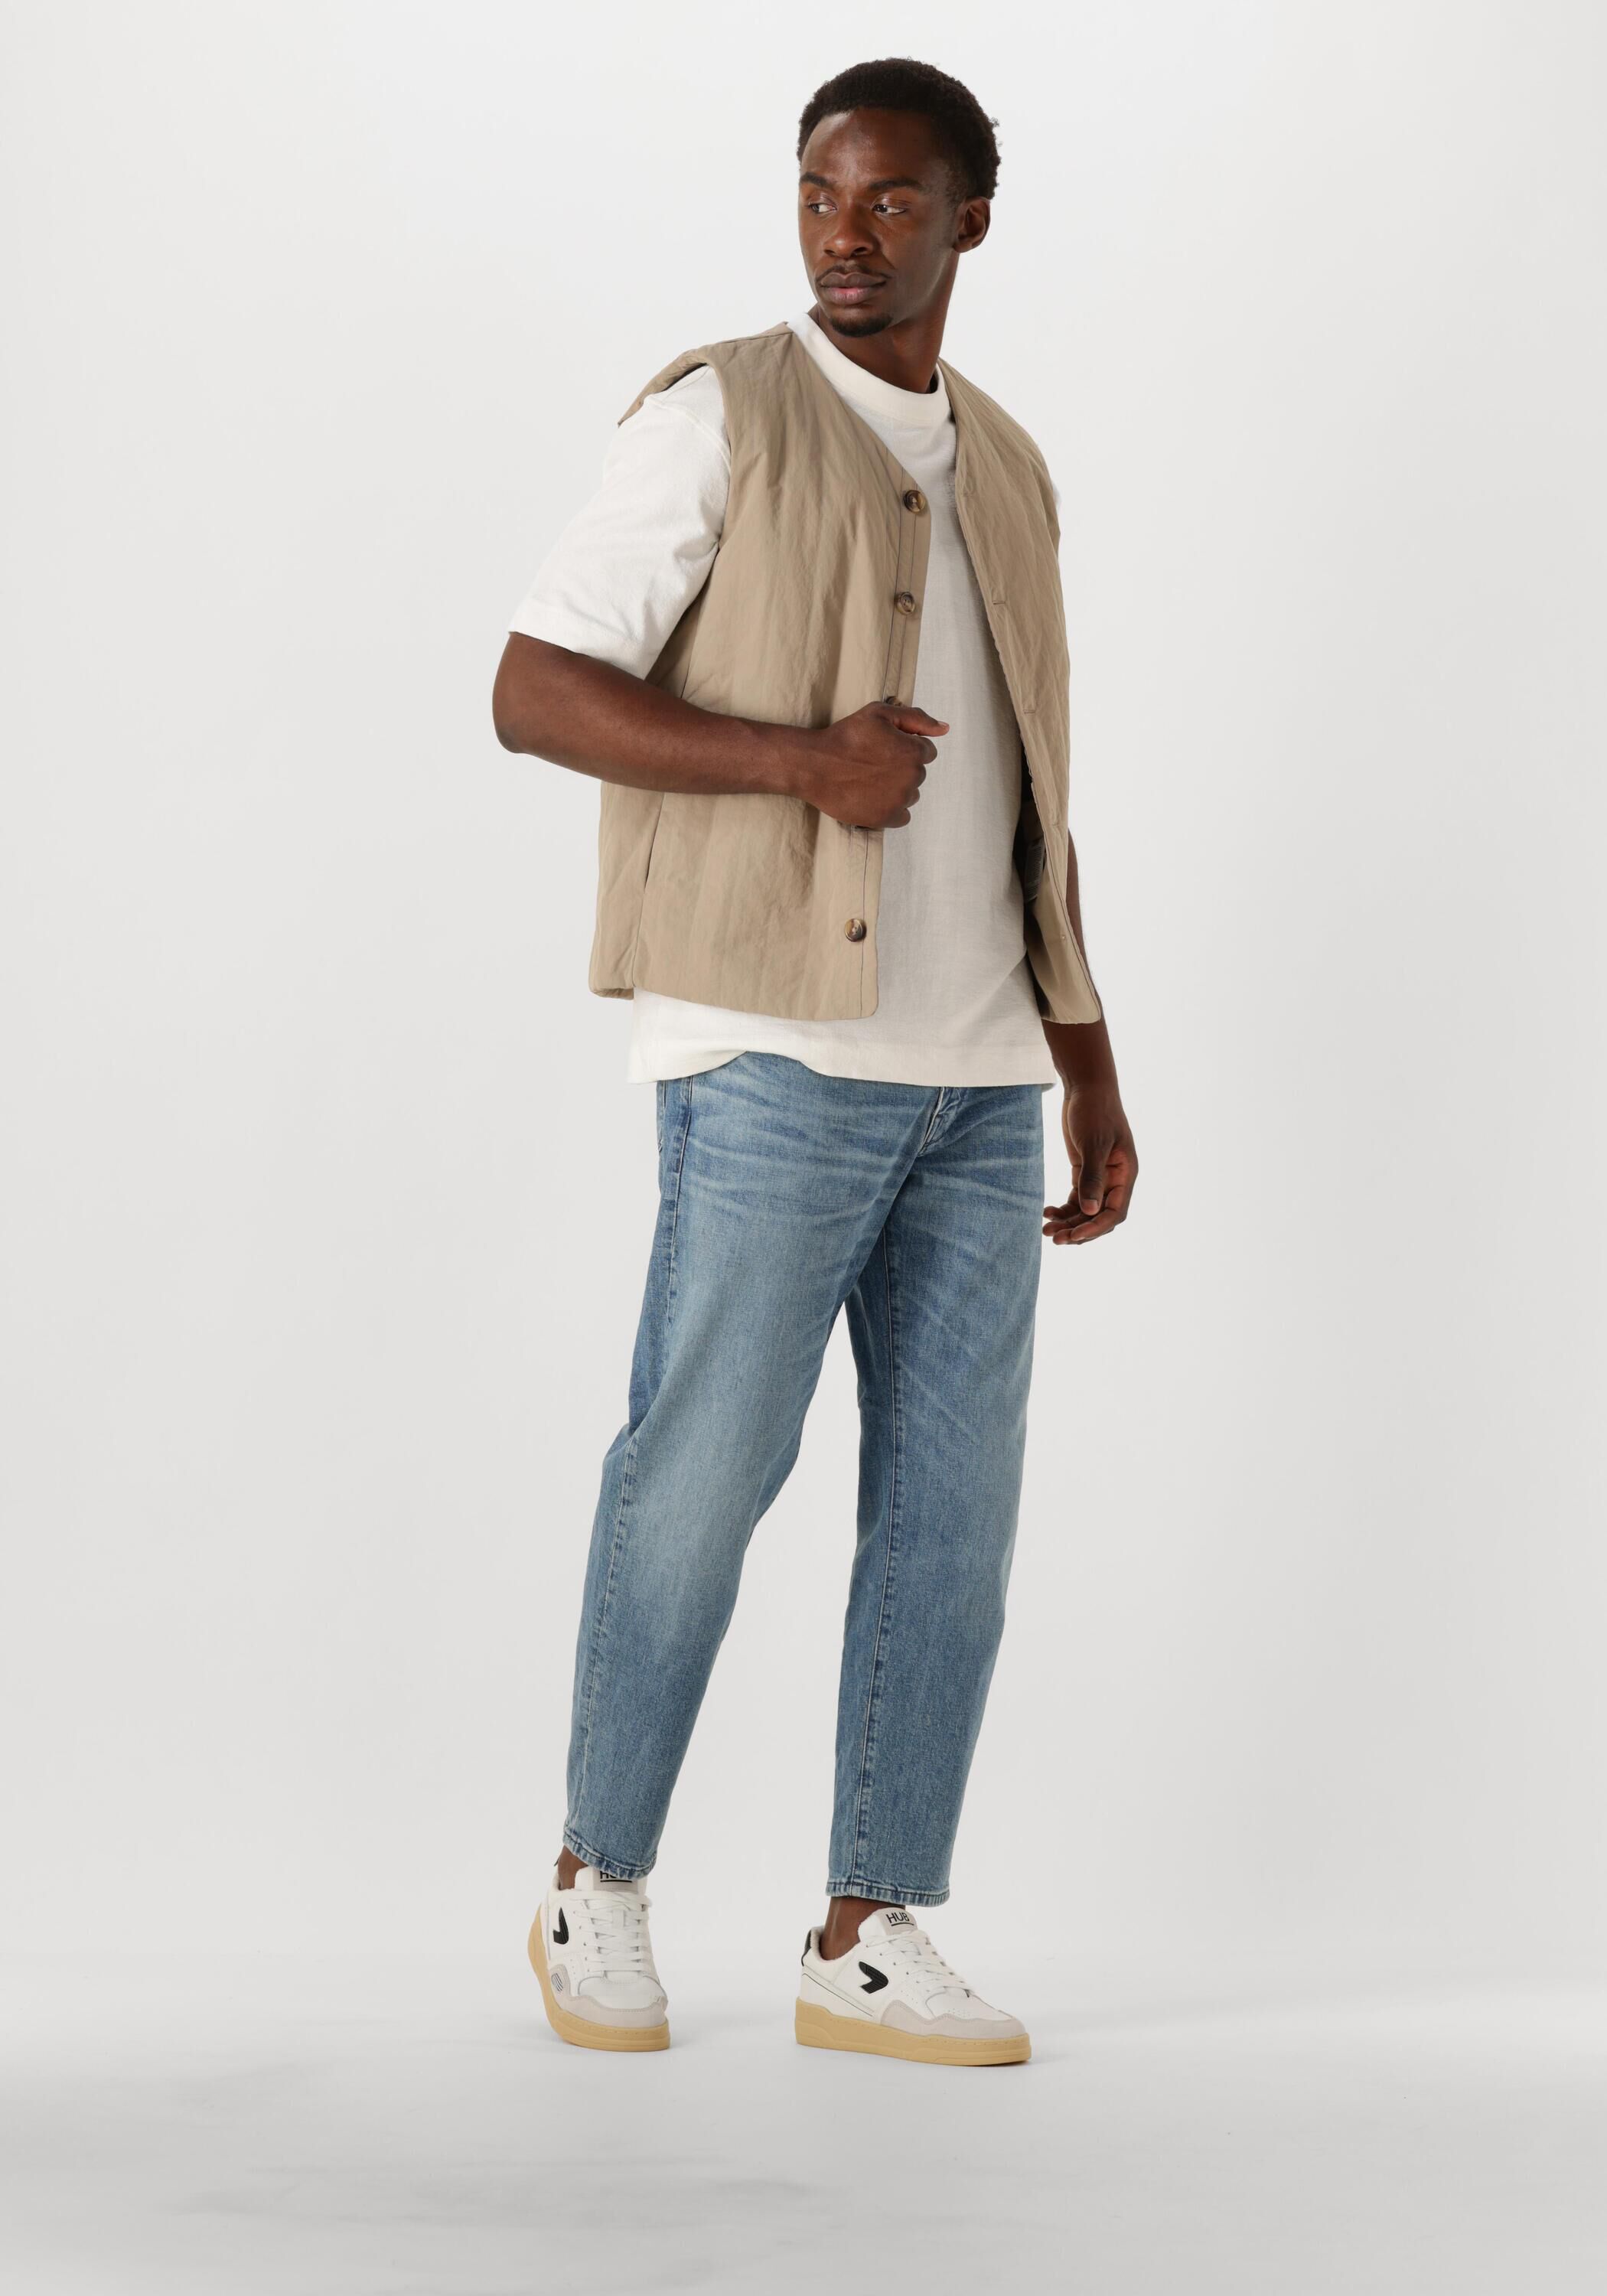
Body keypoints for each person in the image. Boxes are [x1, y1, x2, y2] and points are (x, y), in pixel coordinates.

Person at [491, 55, 1137, 2068]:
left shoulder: (1007, 464)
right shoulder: (717, 415)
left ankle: (868, 1927)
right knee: (697, 1480)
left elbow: (1036, 788)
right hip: (770, 1052)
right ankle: (595, 1886)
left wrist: (1087, 1054)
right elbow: (531, 687)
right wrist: (801, 763)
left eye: (889, 202)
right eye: (817, 196)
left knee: (953, 1517)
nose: (844, 238)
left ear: (969, 220)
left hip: (979, 1078)